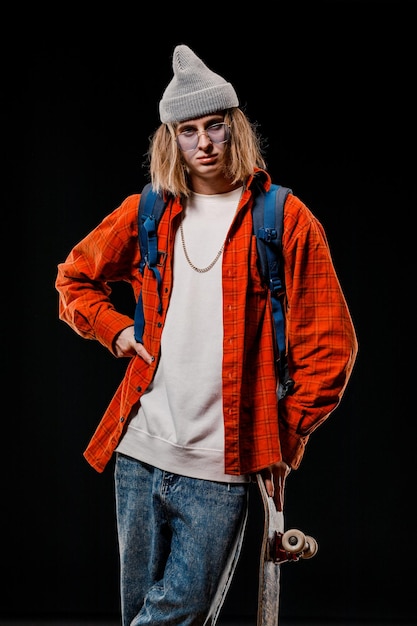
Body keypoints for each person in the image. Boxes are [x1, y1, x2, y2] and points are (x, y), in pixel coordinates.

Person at [55, 44, 358, 626]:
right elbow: (74, 279)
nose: (203, 143)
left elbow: (330, 348)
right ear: (171, 139)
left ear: (234, 128)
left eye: (214, 126)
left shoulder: (283, 219)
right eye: (187, 130)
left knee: (177, 615)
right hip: (139, 453)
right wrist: (116, 332)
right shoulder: (149, 211)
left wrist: (282, 441)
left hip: (222, 467)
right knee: (140, 614)